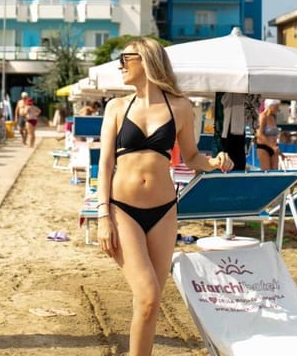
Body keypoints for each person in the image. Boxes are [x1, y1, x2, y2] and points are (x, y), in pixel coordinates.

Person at [97, 38, 233, 356]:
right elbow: (105, 163)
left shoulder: (181, 107)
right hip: (123, 210)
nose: (120, 65)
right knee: (147, 295)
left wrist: (214, 162)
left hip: (164, 211)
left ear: (145, 60)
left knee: (150, 303)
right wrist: (103, 215)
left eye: (125, 58)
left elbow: (191, 157)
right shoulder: (116, 107)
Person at [256, 99, 281, 170]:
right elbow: (259, 134)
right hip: (264, 147)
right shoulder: (262, 117)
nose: (278, 109)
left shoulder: (273, 117)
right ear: (271, 106)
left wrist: (279, 152)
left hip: (274, 148)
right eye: (276, 107)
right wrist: (272, 146)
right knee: (267, 172)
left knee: (275, 173)